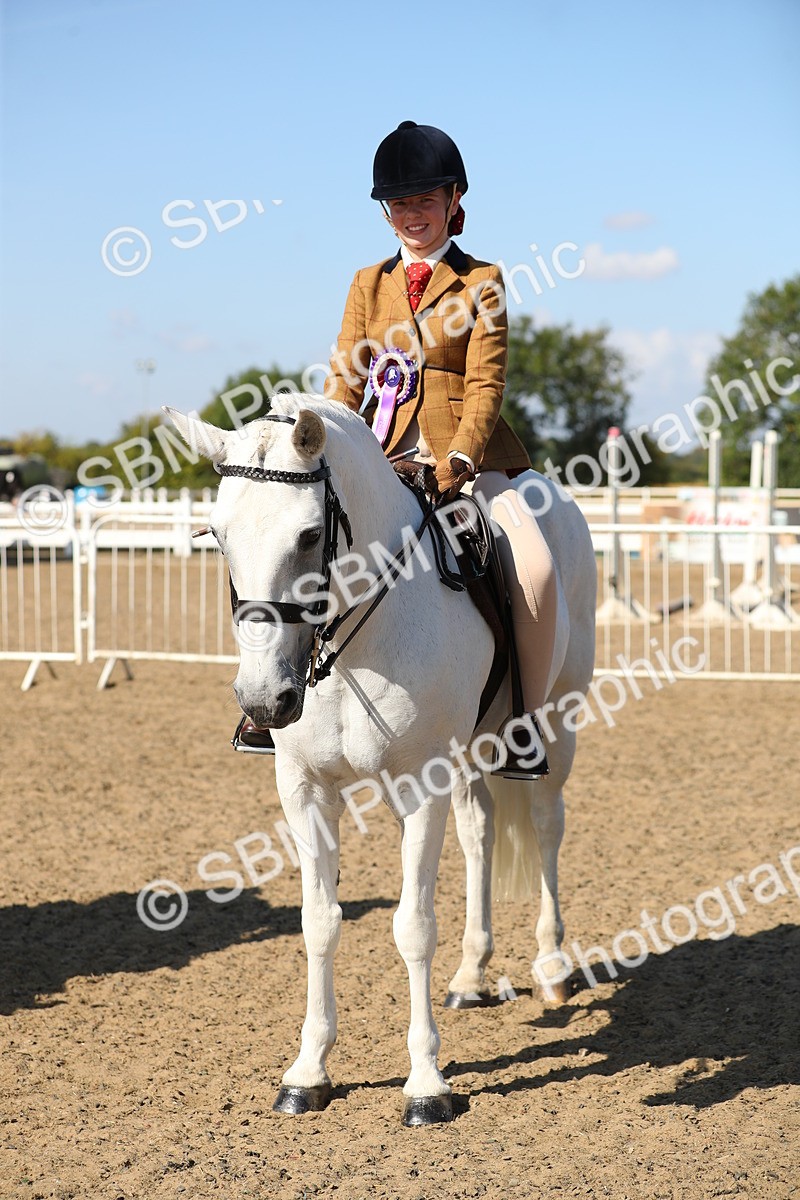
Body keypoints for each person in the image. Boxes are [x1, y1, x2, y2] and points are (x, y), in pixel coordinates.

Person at [237, 121, 557, 779]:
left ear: (454, 200)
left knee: (536, 568)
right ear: (387, 213)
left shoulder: (482, 282)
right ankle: (268, 699)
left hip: (463, 462)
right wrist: (319, 443)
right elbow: (344, 379)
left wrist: (462, 458)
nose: (412, 215)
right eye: (400, 205)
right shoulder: (366, 283)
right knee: (286, 547)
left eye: (424, 202)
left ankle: (523, 721)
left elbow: (486, 382)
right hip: (376, 458)